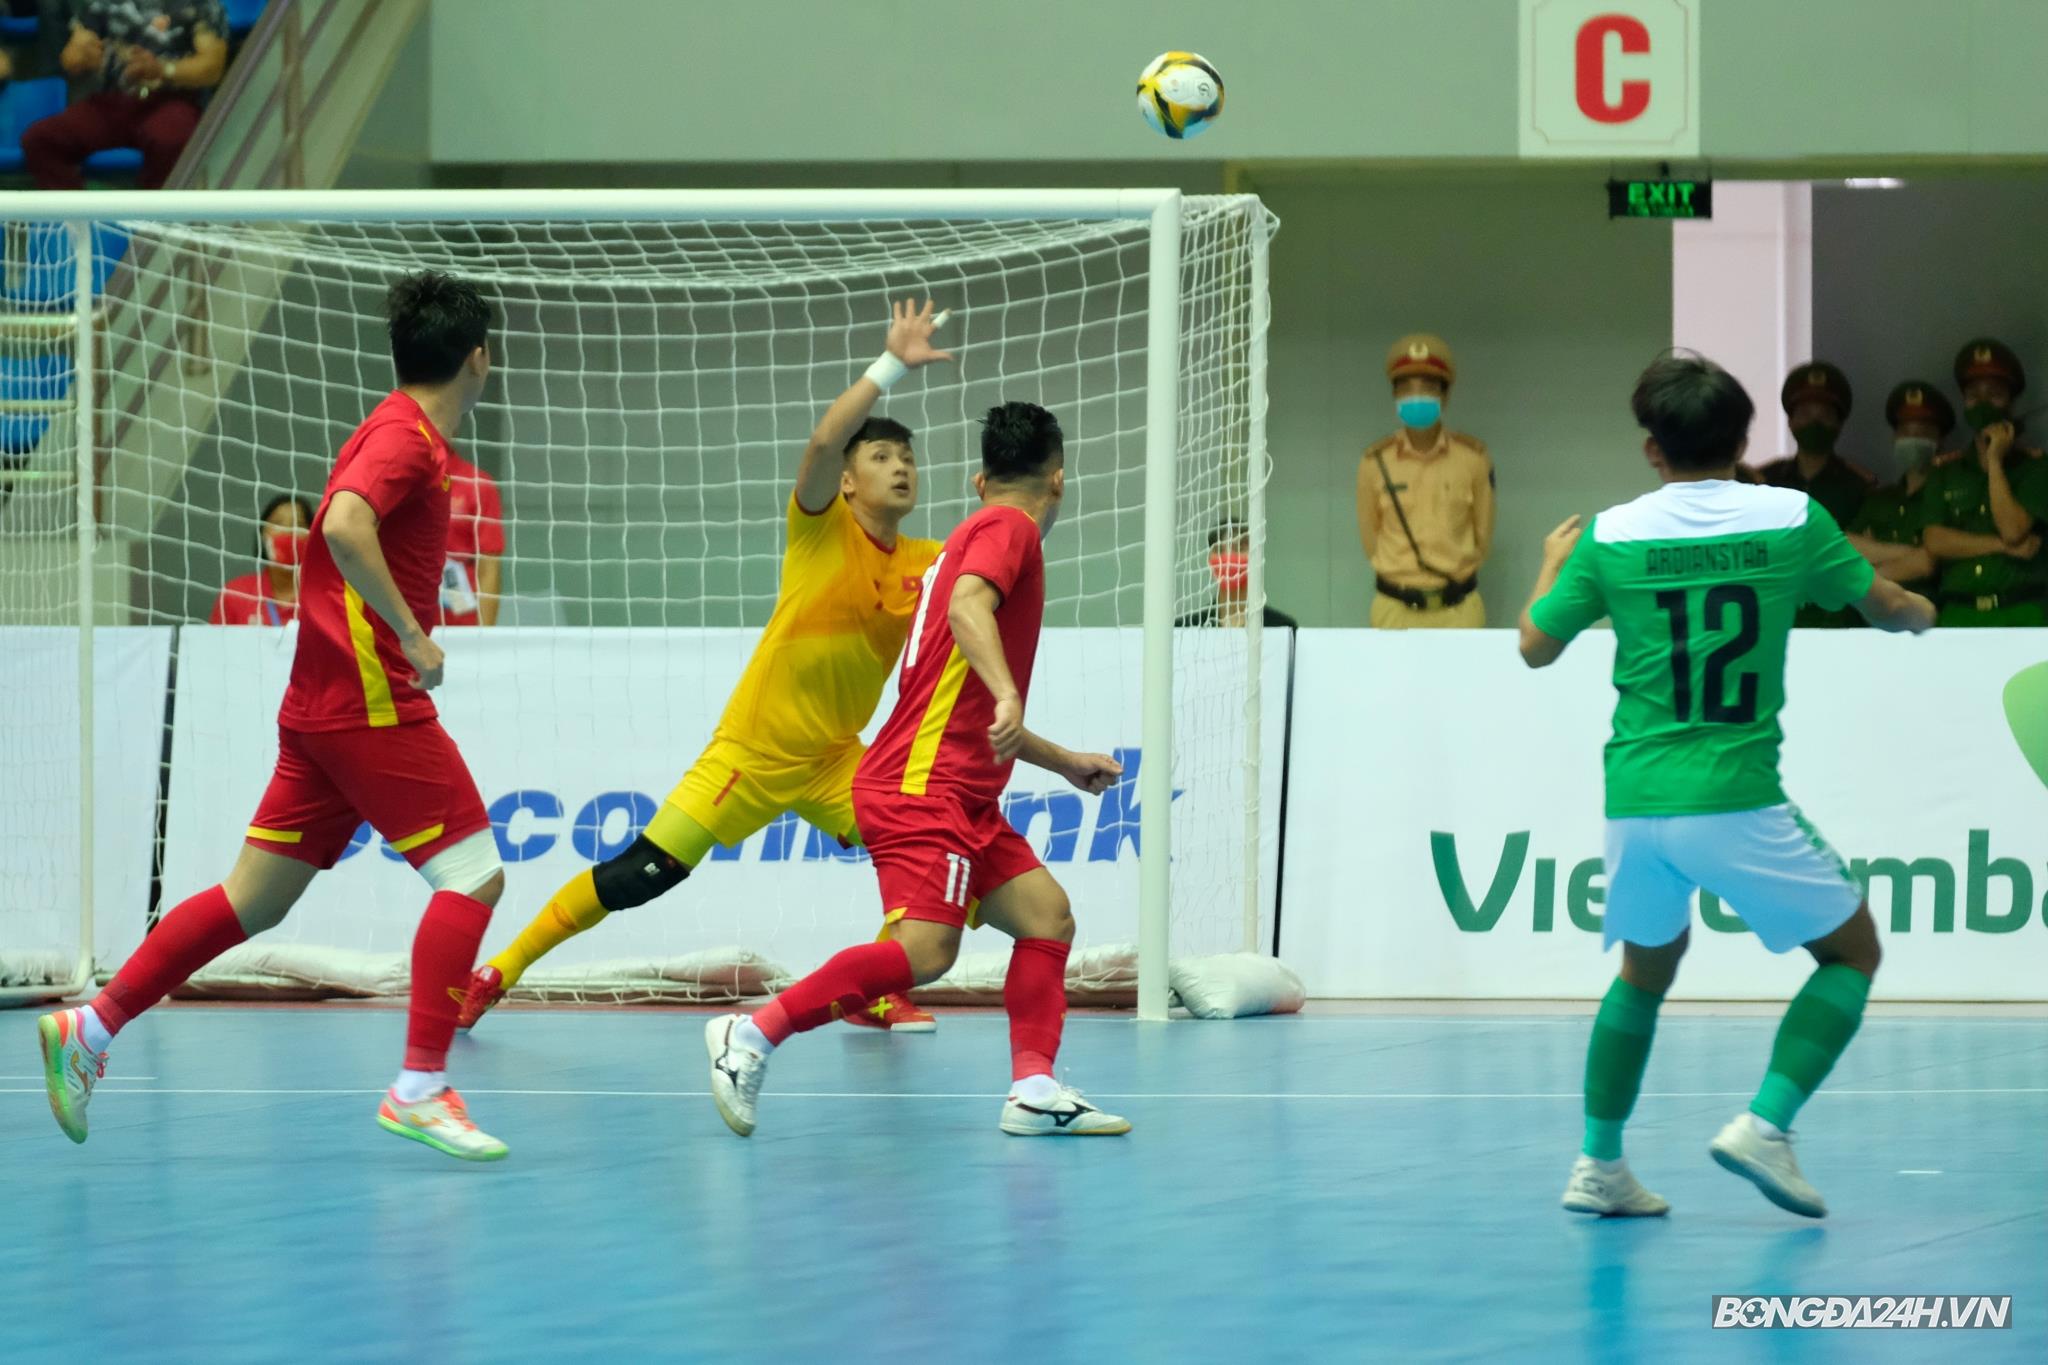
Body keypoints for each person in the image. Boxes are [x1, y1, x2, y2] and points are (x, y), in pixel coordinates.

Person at [38, 271, 513, 1160]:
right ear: (478, 357)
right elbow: (340, 523)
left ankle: (91, 1029)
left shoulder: (398, 429)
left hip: (321, 708)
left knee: (253, 900)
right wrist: (412, 636)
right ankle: (417, 1086)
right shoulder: (407, 440)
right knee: (475, 876)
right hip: (370, 702)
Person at [460, 300, 953, 1034]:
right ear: (849, 484)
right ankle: (499, 970)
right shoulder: (820, 531)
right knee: (638, 875)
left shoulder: (928, 560)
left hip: (834, 761)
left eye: (908, 458)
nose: (901, 467)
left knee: (916, 846)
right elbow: (822, 442)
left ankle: (873, 989)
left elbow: (992, 566)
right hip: (749, 755)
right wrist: (889, 366)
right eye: (882, 457)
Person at [1519, 351, 1934, 1220]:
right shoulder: (1791, 517)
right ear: (1746, 438)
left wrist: (1553, 564)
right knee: (1853, 953)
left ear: (1651, 449)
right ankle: (1766, 1124)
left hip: (1635, 800)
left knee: (1643, 972)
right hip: (1734, 796)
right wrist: (1919, 613)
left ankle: (1598, 1164)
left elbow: (1533, 643)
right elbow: (1881, 602)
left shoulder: (1609, 534)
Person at [703, 401, 1131, 1140]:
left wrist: (1060, 761)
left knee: (1046, 916)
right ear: (1057, 481)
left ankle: (1032, 1086)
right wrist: (1006, 688)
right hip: (921, 787)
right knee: (926, 951)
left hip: (956, 787)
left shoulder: (967, 533)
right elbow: (971, 610)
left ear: (977, 478)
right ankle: (752, 1035)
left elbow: (965, 712)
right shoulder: (1009, 529)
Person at [1356, 333, 1494, 628]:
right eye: (1405, 388)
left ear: (1445, 395)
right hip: (1394, 609)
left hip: (1460, 612)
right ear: (1394, 395)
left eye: (1428, 387)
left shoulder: (1473, 459)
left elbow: (1482, 538)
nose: (1415, 396)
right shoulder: (1374, 463)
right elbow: (1371, 540)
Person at [24, 2, 228, 190]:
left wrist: (162, 70)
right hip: (112, 101)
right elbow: (70, 60)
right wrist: (79, 55)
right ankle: (76, 224)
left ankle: (156, 225)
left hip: (171, 99)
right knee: (41, 138)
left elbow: (212, 68)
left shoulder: (201, 4)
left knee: (172, 140)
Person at [1920, 338, 2048, 626]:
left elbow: (2013, 531)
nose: (1982, 402)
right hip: (1958, 616)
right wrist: (2000, 546)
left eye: (1995, 394)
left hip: (2022, 613)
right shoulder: (1945, 472)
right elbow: (1935, 542)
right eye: (1973, 395)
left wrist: (1994, 462)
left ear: (2011, 402)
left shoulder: (2037, 468)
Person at [1755, 362, 1874, 627]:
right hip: (1777, 616)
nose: (1814, 423)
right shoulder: (1765, 482)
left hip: (1839, 619)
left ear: (1839, 423)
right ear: (1791, 421)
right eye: (1805, 413)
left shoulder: (1859, 485)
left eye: (1824, 415)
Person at [1844, 382, 1948, 595]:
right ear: (1895, 437)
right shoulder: (1880, 498)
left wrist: (1873, 562)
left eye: (1922, 432)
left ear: (1939, 440)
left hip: (1928, 614)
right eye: (1905, 431)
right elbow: (1847, 546)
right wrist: (1908, 554)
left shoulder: (1948, 496)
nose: (1912, 439)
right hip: (1874, 619)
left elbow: (1927, 563)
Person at [208, 492, 312, 626]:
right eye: (278, 523)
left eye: (299, 524)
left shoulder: (324, 597)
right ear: (263, 536)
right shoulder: (236, 594)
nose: (288, 531)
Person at [1176, 520, 1297, 628]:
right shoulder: (1187, 627)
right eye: (1219, 550)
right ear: (1209, 560)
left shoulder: (1281, 626)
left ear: (1257, 557)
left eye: (1240, 548)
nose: (1229, 557)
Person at [438, 448, 504, 626]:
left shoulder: (477, 483)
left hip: (460, 615)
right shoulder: (395, 479)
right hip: (403, 614)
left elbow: (489, 568)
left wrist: (484, 638)